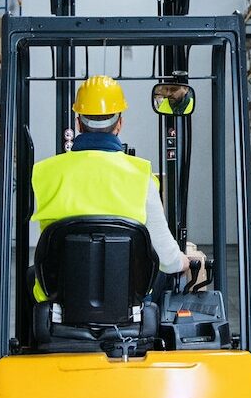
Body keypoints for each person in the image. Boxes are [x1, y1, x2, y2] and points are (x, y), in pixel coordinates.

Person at [31, 75, 203, 294]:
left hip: (58, 303)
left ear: (78, 123)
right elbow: (167, 260)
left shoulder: (45, 172)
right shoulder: (141, 176)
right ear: (119, 124)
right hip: (127, 304)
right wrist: (184, 261)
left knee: (31, 276)